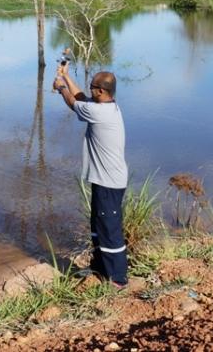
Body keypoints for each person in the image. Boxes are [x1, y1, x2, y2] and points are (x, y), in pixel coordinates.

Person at [53, 64, 129, 286]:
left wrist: (60, 88)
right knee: (98, 224)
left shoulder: (99, 112)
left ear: (101, 91)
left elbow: (73, 102)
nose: (90, 89)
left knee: (110, 228)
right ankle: (99, 268)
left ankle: (118, 279)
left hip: (110, 183)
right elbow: (82, 99)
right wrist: (66, 77)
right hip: (103, 179)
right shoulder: (105, 106)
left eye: (92, 87)